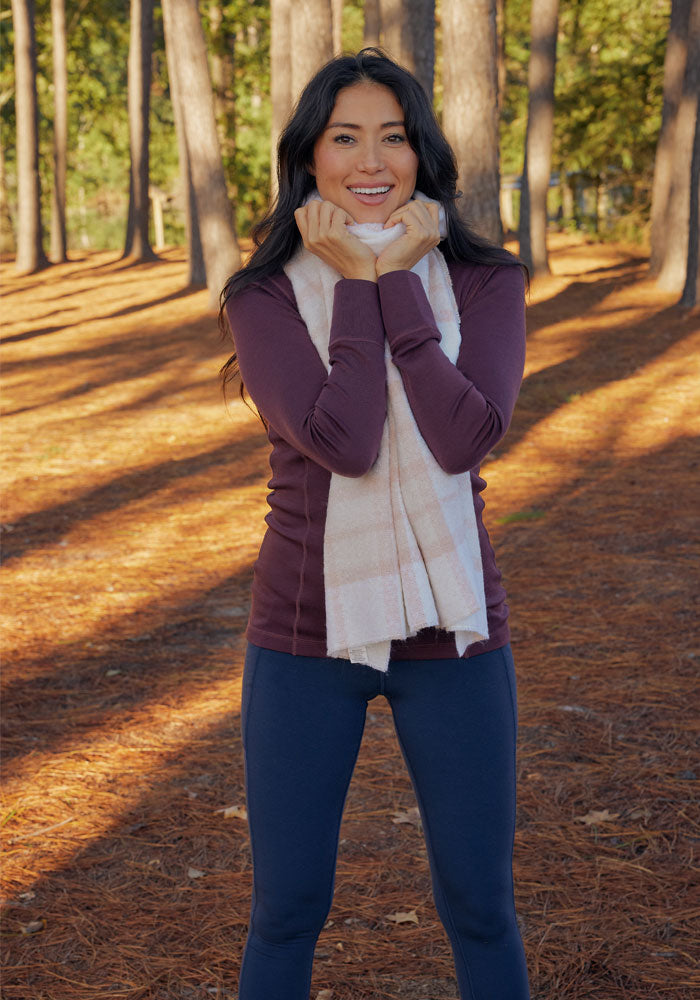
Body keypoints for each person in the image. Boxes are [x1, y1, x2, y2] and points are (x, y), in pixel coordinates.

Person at [219, 47, 531, 1000]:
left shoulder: (485, 283)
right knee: (287, 911)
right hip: (307, 635)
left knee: (479, 903)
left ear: (421, 155)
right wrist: (358, 276)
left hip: (455, 635)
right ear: (309, 157)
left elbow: (465, 434)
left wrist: (395, 277)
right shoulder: (262, 296)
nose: (370, 160)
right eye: (344, 136)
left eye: (392, 138)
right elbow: (343, 441)